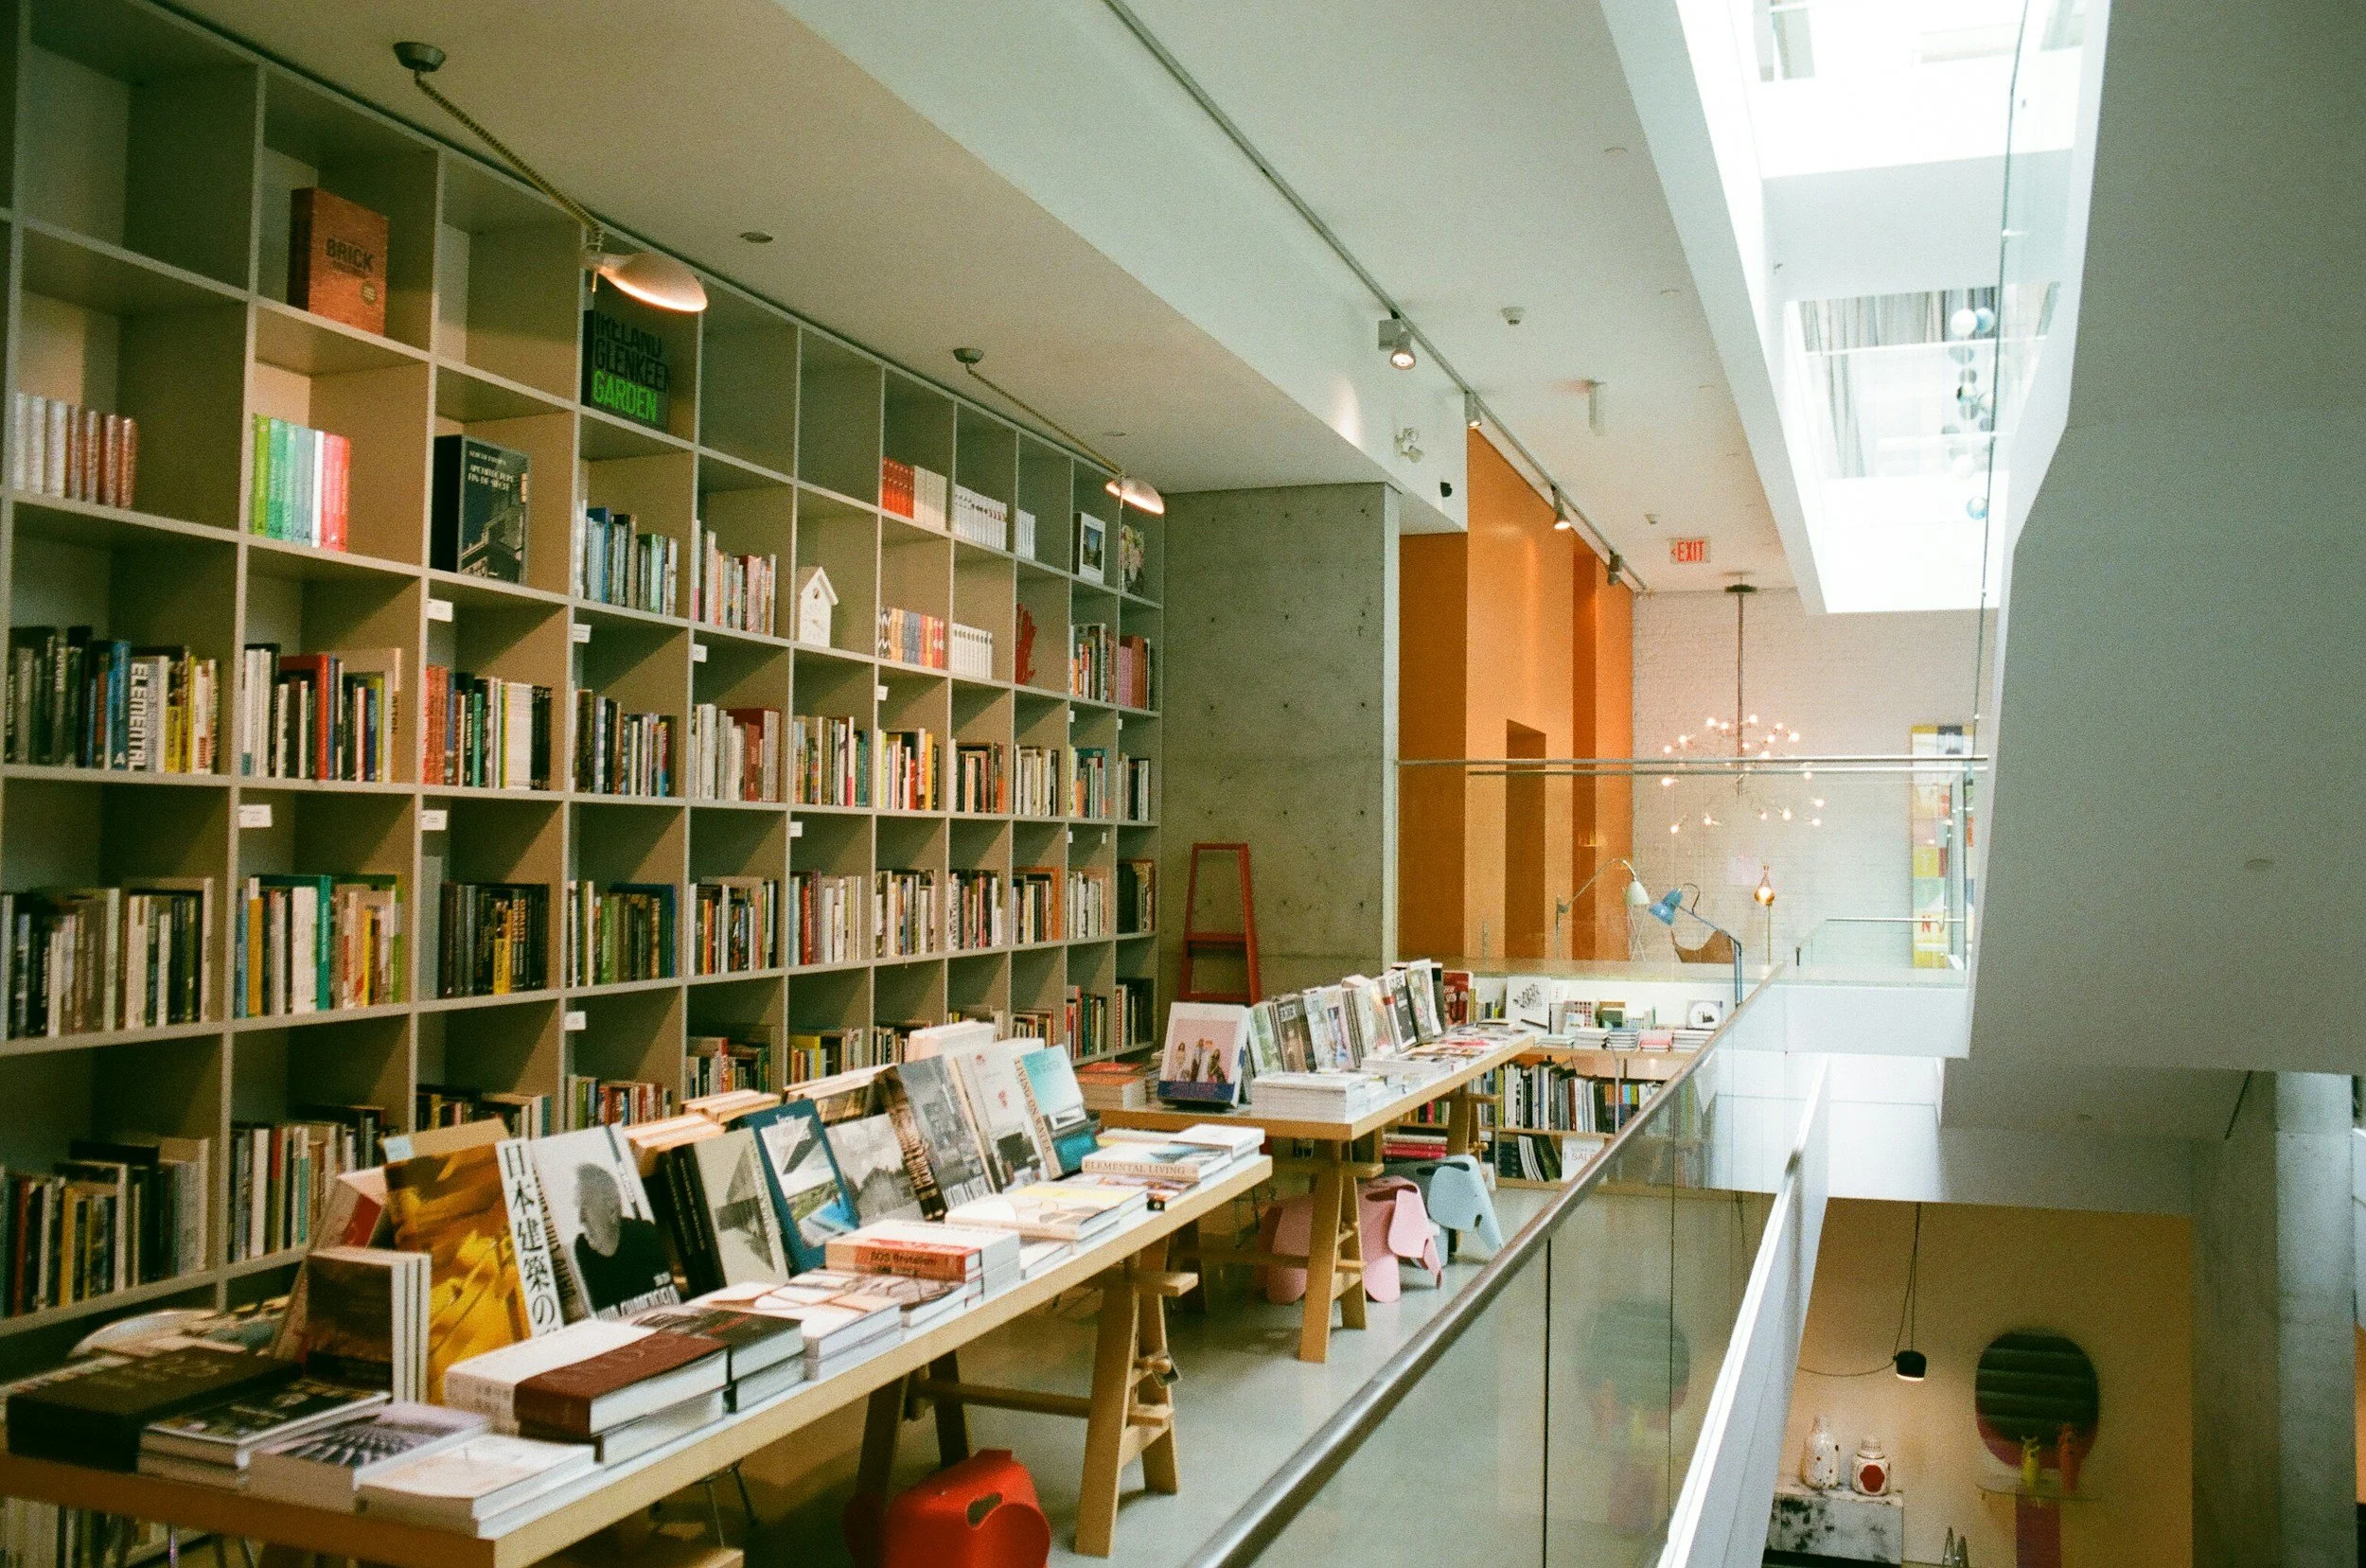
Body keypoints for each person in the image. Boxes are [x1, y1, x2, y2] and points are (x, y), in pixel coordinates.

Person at [570, 1161, 674, 1314]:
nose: (580, 1219)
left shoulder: (644, 1236)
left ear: (611, 1211)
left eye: (585, 1207)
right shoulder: (583, 1249)